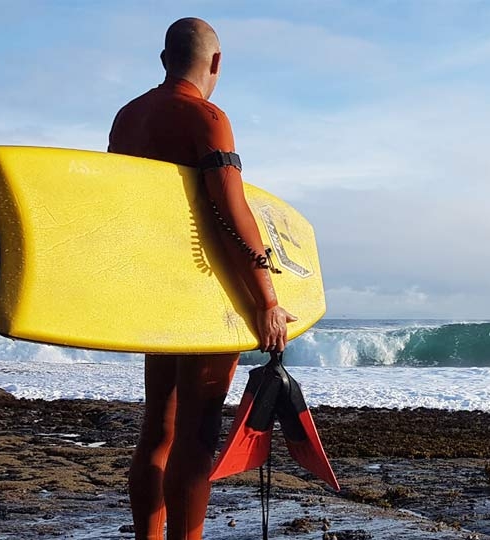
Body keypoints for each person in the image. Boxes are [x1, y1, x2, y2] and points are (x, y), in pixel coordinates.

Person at [107, 17, 298, 540]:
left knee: (158, 429)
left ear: (164, 58)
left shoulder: (126, 118)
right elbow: (233, 213)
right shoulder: (208, 117)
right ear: (216, 63)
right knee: (197, 434)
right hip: (205, 295)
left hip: (154, 292)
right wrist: (267, 298)